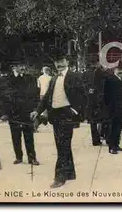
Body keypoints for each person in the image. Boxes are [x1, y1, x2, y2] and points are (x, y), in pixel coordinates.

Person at [31, 53, 87, 188]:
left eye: (61, 61)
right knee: (63, 145)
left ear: (67, 61)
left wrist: (74, 111)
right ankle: (70, 173)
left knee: (62, 145)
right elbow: (45, 98)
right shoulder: (54, 78)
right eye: (56, 62)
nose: (59, 64)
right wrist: (37, 111)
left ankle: (59, 177)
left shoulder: (75, 77)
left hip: (67, 114)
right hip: (55, 115)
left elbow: (83, 97)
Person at [1, 63, 40, 166]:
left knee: (29, 136)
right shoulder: (7, 79)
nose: (23, 67)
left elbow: (35, 94)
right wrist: (4, 113)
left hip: (27, 112)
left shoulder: (30, 78)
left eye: (23, 65)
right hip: (13, 113)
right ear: (13, 67)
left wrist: (35, 109)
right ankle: (18, 157)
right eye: (19, 66)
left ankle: (32, 158)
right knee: (15, 136)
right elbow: (3, 97)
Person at [104, 66, 122, 154]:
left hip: (121, 108)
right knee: (112, 128)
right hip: (112, 108)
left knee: (119, 127)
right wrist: (108, 107)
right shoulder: (110, 79)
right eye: (119, 70)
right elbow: (106, 95)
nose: (120, 71)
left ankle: (116, 145)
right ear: (115, 70)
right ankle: (111, 147)